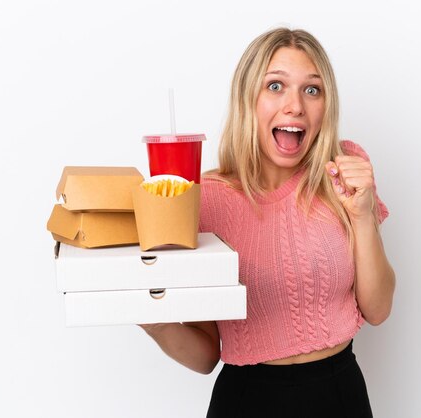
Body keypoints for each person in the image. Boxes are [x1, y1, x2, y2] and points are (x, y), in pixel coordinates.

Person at [140, 27, 395, 418]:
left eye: (312, 90)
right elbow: (206, 354)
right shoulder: (204, 200)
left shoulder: (342, 174)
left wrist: (361, 215)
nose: (295, 105)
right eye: (275, 86)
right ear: (248, 99)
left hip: (340, 395)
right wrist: (152, 320)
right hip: (247, 401)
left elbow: (377, 309)